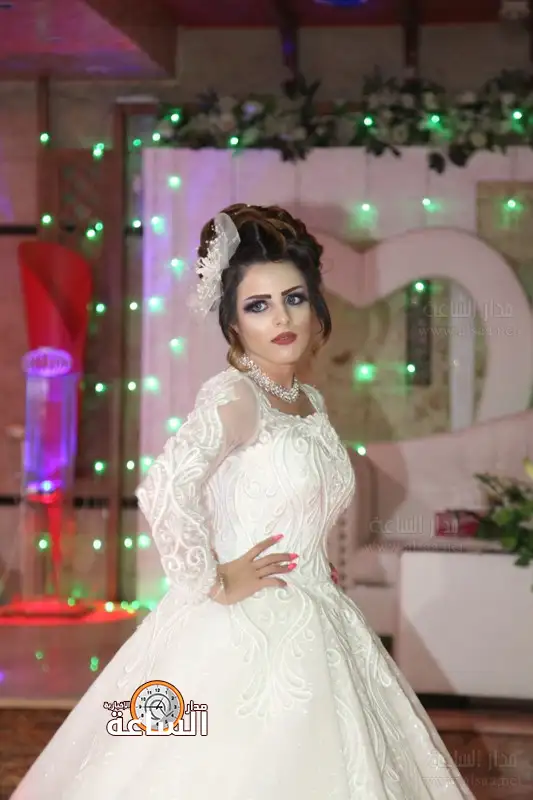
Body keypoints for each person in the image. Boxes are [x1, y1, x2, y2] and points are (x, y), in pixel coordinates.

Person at [12, 204, 474, 799]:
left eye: (294, 298)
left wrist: (311, 556)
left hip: (319, 613)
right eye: (258, 305)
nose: (281, 317)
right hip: (244, 626)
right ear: (231, 320)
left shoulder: (307, 400)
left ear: (314, 304)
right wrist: (214, 578)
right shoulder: (237, 395)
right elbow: (164, 486)